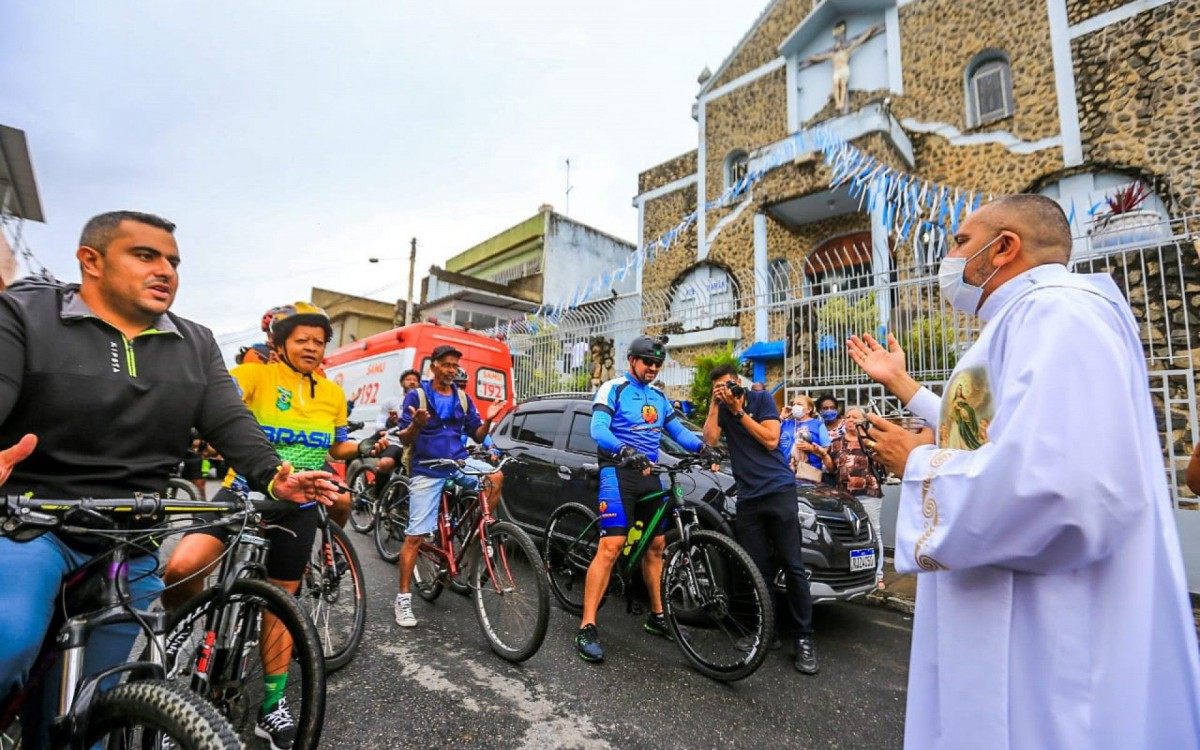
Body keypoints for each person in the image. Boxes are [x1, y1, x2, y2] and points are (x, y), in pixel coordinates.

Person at [847, 194, 1200, 748]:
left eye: (961, 241)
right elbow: (992, 426)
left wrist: (916, 463)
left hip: (1046, 627)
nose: (950, 256)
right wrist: (905, 388)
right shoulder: (1020, 320)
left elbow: (1060, 486)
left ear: (1004, 247)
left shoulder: (1057, 314)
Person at [0, 212, 337, 747]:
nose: (166, 271)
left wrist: (275, 477)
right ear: (90, 260)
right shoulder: (23, 314)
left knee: (92, 706)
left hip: (129, 540)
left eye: (173, 261)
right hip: (32, 527)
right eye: (145, 256)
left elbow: (232, 423)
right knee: (9, 642)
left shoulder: (195, 342)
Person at [164, 301, 382, 749]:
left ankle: (273, 704)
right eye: (302, 339)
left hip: (298, 507)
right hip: (244, 493)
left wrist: (366, 448)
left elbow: (338, 447)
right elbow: (210, 400)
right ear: (279, 344)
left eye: (319, 342)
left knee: (281, 602)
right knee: (182, 567)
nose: (312, 347)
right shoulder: (255, 376)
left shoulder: (331, 392)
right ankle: (184, 627)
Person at [576, 335, 713, 663]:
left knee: (656, 547)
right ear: (631, 360)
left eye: (657, 364)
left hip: (648, 474)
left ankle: (657, 615)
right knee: (610, 548)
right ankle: (587, 626)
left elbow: (676, 431)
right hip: (617, 471)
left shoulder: (658, 397)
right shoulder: (614, 388)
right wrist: (624, 449)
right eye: (646, 362)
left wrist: (701, 448)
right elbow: (599, 429)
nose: (652, 368)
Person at [703, 364, 818, 674]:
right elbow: (710, 440)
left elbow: (770, 439)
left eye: (729, 386)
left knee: (793, 566)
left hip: (778, 490)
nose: (726, 392)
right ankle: (766, 632)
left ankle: (804, 639)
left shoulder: (762, 400)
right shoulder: (722, 409)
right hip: (748, 498)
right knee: (757, 569)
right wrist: (716, 405)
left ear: (738, 383)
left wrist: (740, 412)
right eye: (719, 389)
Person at [393, 345, 504, 628]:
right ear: (434, 366)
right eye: (446, 364)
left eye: (455, 365)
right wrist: (416, 424)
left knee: (496, 477)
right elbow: (405, 439)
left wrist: (489, 420)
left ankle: (484, 533)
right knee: (416, 537)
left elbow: (477, 435)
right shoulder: (417, 396)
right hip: (428, 469)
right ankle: (403, 599)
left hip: (458, 463)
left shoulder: (463, 399)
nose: (451, 369)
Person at [827, 406, 885, 588]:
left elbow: (883, 463)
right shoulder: (837, 442)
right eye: (848, 417)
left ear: (863, 421)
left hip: (868, 492)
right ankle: (852, 573)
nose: (851, 420)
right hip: (844, 494)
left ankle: (878, 574)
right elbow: (831, 468)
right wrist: (822, 455)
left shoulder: (871, 440)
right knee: (850, 534)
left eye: (855, 417)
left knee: (873, 532)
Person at [370, 368, 421, 493]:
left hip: (415, 445)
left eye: (415, 380)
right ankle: (377, 496)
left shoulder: (423, 402)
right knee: (386, 463)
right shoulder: (391, 401)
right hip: (395, 442)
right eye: (408, 379)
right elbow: (379, 424)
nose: (412, 382)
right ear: (402, 383)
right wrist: (389, 424)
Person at [788, 395, 831, 484]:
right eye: (794, 404)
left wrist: (811, 448)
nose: (795, 406)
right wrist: (781, 417)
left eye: (799, 404)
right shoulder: (786, 423)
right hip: (785, 473)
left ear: (809, 409)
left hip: (809, 474)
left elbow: (826, 449)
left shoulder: (818, 425)